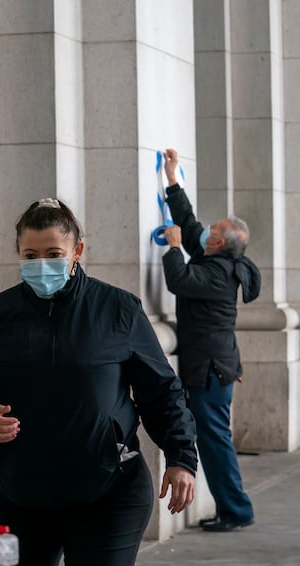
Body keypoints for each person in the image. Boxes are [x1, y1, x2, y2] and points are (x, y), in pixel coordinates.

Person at [0, 197, 198, 565]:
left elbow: (162, 391)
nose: (42, 264)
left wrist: (181, 457)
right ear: (18, 254)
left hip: (108, 492)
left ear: (77, 251)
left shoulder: (118, 309)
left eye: (53, 253)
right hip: (19, 496)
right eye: (30, 255)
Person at [161, 148, 261, 533]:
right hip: (214, 367)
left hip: (211, 371)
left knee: (215, 442)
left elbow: (180, 281)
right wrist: (172, 178)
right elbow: (188, 223)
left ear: (218, 244)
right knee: (214, 440)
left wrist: (172, 248)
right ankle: (232, 507)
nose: (205, 232)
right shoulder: (215, 258)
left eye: (212, 232)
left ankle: (236, 510)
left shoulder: (218, 273)